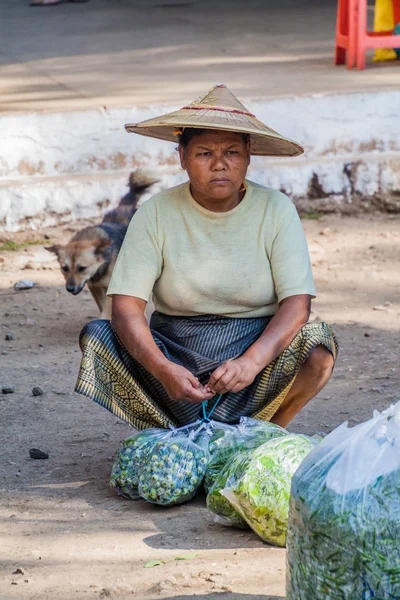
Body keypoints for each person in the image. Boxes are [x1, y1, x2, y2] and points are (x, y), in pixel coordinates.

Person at [75, 84, 338, 431]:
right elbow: (125, 309)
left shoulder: (276, 209)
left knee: (318, 346)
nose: (219, 165)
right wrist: (163, 369)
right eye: (203, 154)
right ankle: (171, 433)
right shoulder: (155, 213)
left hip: (254, 353)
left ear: (248, 155)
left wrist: (249, 363)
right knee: (98, 335)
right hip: (173, 353)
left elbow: (297, 306)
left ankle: (265, 434)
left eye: (231, 152)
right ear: (182, 157)